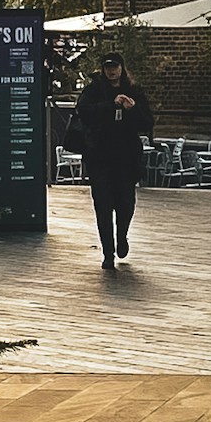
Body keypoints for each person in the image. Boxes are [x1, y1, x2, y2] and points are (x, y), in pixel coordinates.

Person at [70, 54, 154, 270]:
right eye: (107, 67)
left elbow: (147, 122)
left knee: (126, 204)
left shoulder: (133, 90)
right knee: (103, 205)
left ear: (121, 68)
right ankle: (108, 252)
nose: (111, 71)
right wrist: (110, 105)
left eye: (115, 67)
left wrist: (132, 109)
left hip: (126, 158)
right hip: (100, 156)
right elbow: (84, 111)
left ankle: (122, 236)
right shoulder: (94, 90)